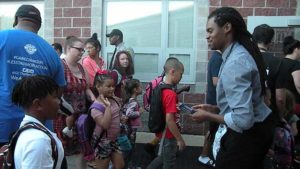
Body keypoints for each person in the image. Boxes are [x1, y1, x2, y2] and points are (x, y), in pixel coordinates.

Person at [192, 7, 274, 169]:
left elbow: (243, 120)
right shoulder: (236, 55)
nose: (206, 36)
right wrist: (216, 108)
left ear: (227, 28)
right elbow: (246, 102)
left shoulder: (236, 62)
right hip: (256, 132)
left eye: (210, 30)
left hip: (246, 139)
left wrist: (208, 115)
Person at [0, 5, 66, 146]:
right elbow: (58, 92)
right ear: (39, 25)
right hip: (37, 129)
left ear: (16, 19)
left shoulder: (2, 37)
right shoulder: (51, 52)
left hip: (3, 123)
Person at [53, 36, 95, 169]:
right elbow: (53, 92)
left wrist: (95, 101)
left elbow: (87, 88)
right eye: (79, 50)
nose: (82, 52)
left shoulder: (82, 68)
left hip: (80, 119)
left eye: (83, 50)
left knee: (81, 150)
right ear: (69, 48)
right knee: (60, 151)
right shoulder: (60, 65)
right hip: (62, 117)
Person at [11, 75, 64, 169]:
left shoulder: (29, 131)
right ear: (38, 104)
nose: (59, 102)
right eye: (56, 97)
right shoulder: (39, 140)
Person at [147, 57, 186, 169]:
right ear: (172, 71)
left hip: (163, 132)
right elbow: (170, 120)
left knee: (162, 158)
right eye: (181, 74)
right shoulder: (170, 94)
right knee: (169, 163)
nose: (181, 77)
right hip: (169, 135)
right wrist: (179, 139)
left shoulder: (160, 87)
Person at [88, 70, 124, 169]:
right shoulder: (96, 107)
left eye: (113, 86)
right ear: (98, 87)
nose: (112, 89)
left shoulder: (114, 99)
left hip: (114, 140)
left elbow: (118, 113)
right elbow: (105, 125)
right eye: (108, 86)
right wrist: (107, 107)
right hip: (102, 142)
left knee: (120, 165)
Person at [252, 24, 284, 122]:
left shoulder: (244, 58)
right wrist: (281, 116)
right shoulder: (277, 62)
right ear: (270, 41)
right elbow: (280, 98)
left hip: (246, 112)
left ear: (253, 39)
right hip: (268, 114)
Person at [198, 51, 222, 167]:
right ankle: (204, 155)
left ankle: (206, 154)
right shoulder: (217, 58)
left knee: (214, 130)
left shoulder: (217, 57)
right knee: (212, 130)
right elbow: (216, 81)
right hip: (215, 101)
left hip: (215, 100)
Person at [121, 79, 144, 168]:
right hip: (130, 130)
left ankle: (129, 165)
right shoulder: (133, 102)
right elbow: (129, 113)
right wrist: (139, 112)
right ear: (135, 90)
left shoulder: (129, 100)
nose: (142, 89)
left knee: (129, 148)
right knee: (129, 148)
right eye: (140, 87)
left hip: (128, 129)